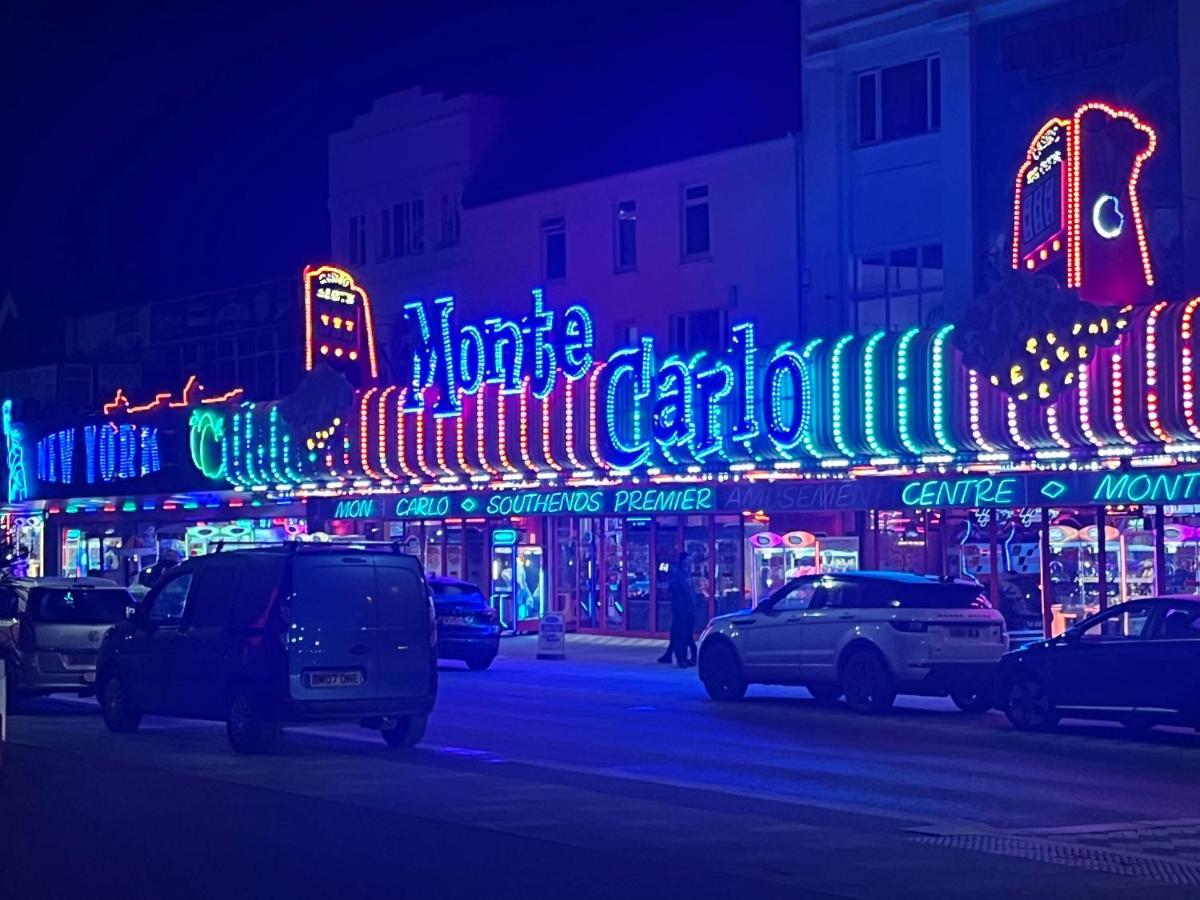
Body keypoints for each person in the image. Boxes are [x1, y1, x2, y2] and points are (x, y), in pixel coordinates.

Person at [657, 552, 697, 667]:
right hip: (682, 609)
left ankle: (675, 655)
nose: (689, 563)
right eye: (688, 560)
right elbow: (678, 591)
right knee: (682, 633)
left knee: (681, 633)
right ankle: (682, 657)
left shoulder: (685, 574)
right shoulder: (679, 575)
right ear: (683, 561)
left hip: (686, 608)